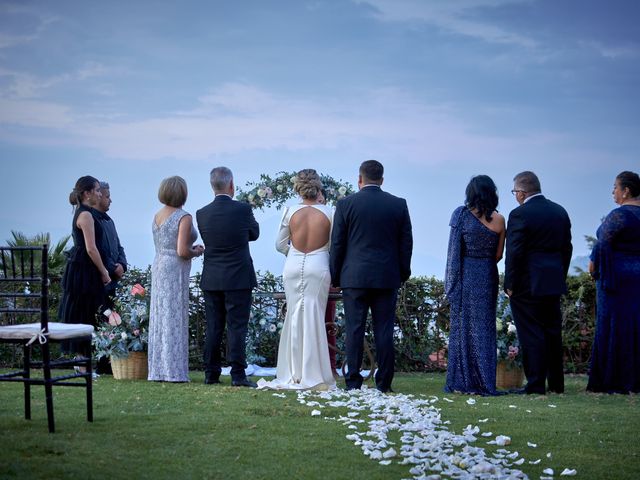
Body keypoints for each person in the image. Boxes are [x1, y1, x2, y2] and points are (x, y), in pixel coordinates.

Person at [330, 160, 413, 393]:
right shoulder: (398, 204)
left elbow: (337, 244)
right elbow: (406, 244)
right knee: (384, 330)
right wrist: (402, 273)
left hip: (354, 277)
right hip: (387, 276)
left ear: (360, 179)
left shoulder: (346, 204)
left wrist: (335, 276)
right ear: (382, 180)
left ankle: (353, 381)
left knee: (354, 329)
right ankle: (384, 382)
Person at [258, 169, 336, 390]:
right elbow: (333, 245)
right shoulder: (330, 213)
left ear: (298, 189)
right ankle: (315, 372)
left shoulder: (289, 211)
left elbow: (280, 245)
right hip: (318, 266)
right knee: (314, 315)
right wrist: (319, 253)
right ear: (318, 188)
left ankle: (292, 372)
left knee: (294, 315)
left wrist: (294, 253)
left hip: (292, 266)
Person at [504, 171, 572, 395]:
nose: (515, 196)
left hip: (526, 283)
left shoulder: (519, 214)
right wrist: (560, 275)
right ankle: (556, 384)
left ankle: (535, 384)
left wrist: (510, 283)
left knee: (530, 333)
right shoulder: (559, 211)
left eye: (515, 192)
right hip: (552, 281)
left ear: (522, 193)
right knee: (552, 332)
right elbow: (566, 249)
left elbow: (514, 252)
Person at [197, 167, 260, 388]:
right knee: (237, 327)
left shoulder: (202, 213)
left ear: (212, 185)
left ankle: (210, 374)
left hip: (212, 277)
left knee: (214, 326)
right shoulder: (243, 209)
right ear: (231, 184)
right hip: (239, 278)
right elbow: (255, 233)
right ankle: (237, 375)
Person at [444, 175, 505, 395]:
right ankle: (485, 381)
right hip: (488, 274)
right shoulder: (500, 220)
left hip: (466, 274)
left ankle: (463, 380)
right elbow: (498, 255)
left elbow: (453, 253)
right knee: (485, 328)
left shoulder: (460, 215)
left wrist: (451, 284)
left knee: (463, 327)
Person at [587, 171, 640, 394]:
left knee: (613, 327)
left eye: (615, 187)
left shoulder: (619, 215)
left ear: (625, 190)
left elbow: (602, 244)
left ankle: (613, 379)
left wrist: (593, 267)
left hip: (616, 280)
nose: (613, 192)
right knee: (635, 327)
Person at [148, 176, 204, 382]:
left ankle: (158, 369)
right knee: (174, 315)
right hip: (174, 268)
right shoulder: (184, 216)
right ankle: (174, 370)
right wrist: (196, 251)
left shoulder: (157, 216)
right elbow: (181, 250)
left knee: (160, 315)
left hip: (159, 263)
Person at [58, 176, 111, 356]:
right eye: (96, 190)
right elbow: (91, 248)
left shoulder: (83, 212)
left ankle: (83, 361)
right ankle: (81, 362)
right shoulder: (86, 215)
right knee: (84, 312)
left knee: (86, 312)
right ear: (87, 194)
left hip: (82, 268)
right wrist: (104, 271)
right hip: (84, 270)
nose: (99, 193)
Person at [94, 181, 128, 308]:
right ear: (98, 197)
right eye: (107, 197)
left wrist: (122, 265)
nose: (111, 200)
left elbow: (119, 247)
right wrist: (113, 268)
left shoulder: (109, 221)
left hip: (112, 282)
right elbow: (96, 248)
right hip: (100, 281)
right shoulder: (92, 220)